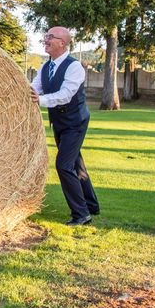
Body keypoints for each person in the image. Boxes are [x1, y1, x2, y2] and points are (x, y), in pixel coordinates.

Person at [30, 27, 100, 226]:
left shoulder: (74, 66)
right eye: (46, 36)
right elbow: (35, 87)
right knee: (76, 163)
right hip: (59, 122)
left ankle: (81, 214)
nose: (46, 40)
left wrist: (40, 100)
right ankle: (91, 205)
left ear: (62, 42)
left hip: (75, 122)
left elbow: (65, 94)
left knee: (64, 165)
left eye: (50, 37)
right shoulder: (46, 66)